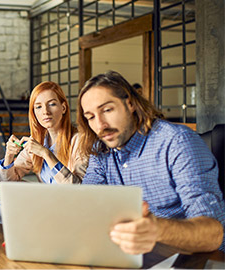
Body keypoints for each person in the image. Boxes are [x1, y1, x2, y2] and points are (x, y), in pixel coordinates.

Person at [77, 70, 225, 254]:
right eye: (90, 117)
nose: (100, 125)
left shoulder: (177, 143)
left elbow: (213, 234)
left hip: (195, 258)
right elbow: (85, 205)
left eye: (107, 110)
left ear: (130, 103)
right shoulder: (101, 150)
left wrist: (157, 229)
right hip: (135, 255)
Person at [0, 81, 88, 184]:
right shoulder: (38, 141)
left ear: (63, 108)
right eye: (38, 107)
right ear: (34, 113)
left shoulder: (80, 141)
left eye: (52, 104)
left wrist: (46, 154)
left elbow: (78, 187)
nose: (45, 111)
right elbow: (8, 183)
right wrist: (9, 157)